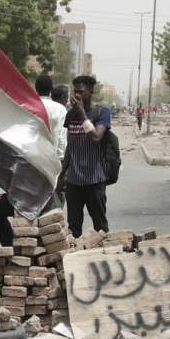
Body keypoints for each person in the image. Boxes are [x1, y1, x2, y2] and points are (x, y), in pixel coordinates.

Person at [62, 75, 110, 237]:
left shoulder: (102, 112)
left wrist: (82, 113)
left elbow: (96, 137)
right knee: (73, 229)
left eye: (81, 92)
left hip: (95, 181)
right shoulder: (70, 115)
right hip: (74, 182)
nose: (77, 95)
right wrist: (62, 174)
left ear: (91, 92)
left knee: (100, 229)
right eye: (75, 91)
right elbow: (71, 145)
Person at [36, 74, 67, 210]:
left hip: (33, 161)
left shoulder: (29, 106)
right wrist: (62, 161)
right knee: (55, 204)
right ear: (51, 89)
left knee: (35, 202)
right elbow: (62, 137)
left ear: (36, 89)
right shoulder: (60, 109)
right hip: (53, 162)